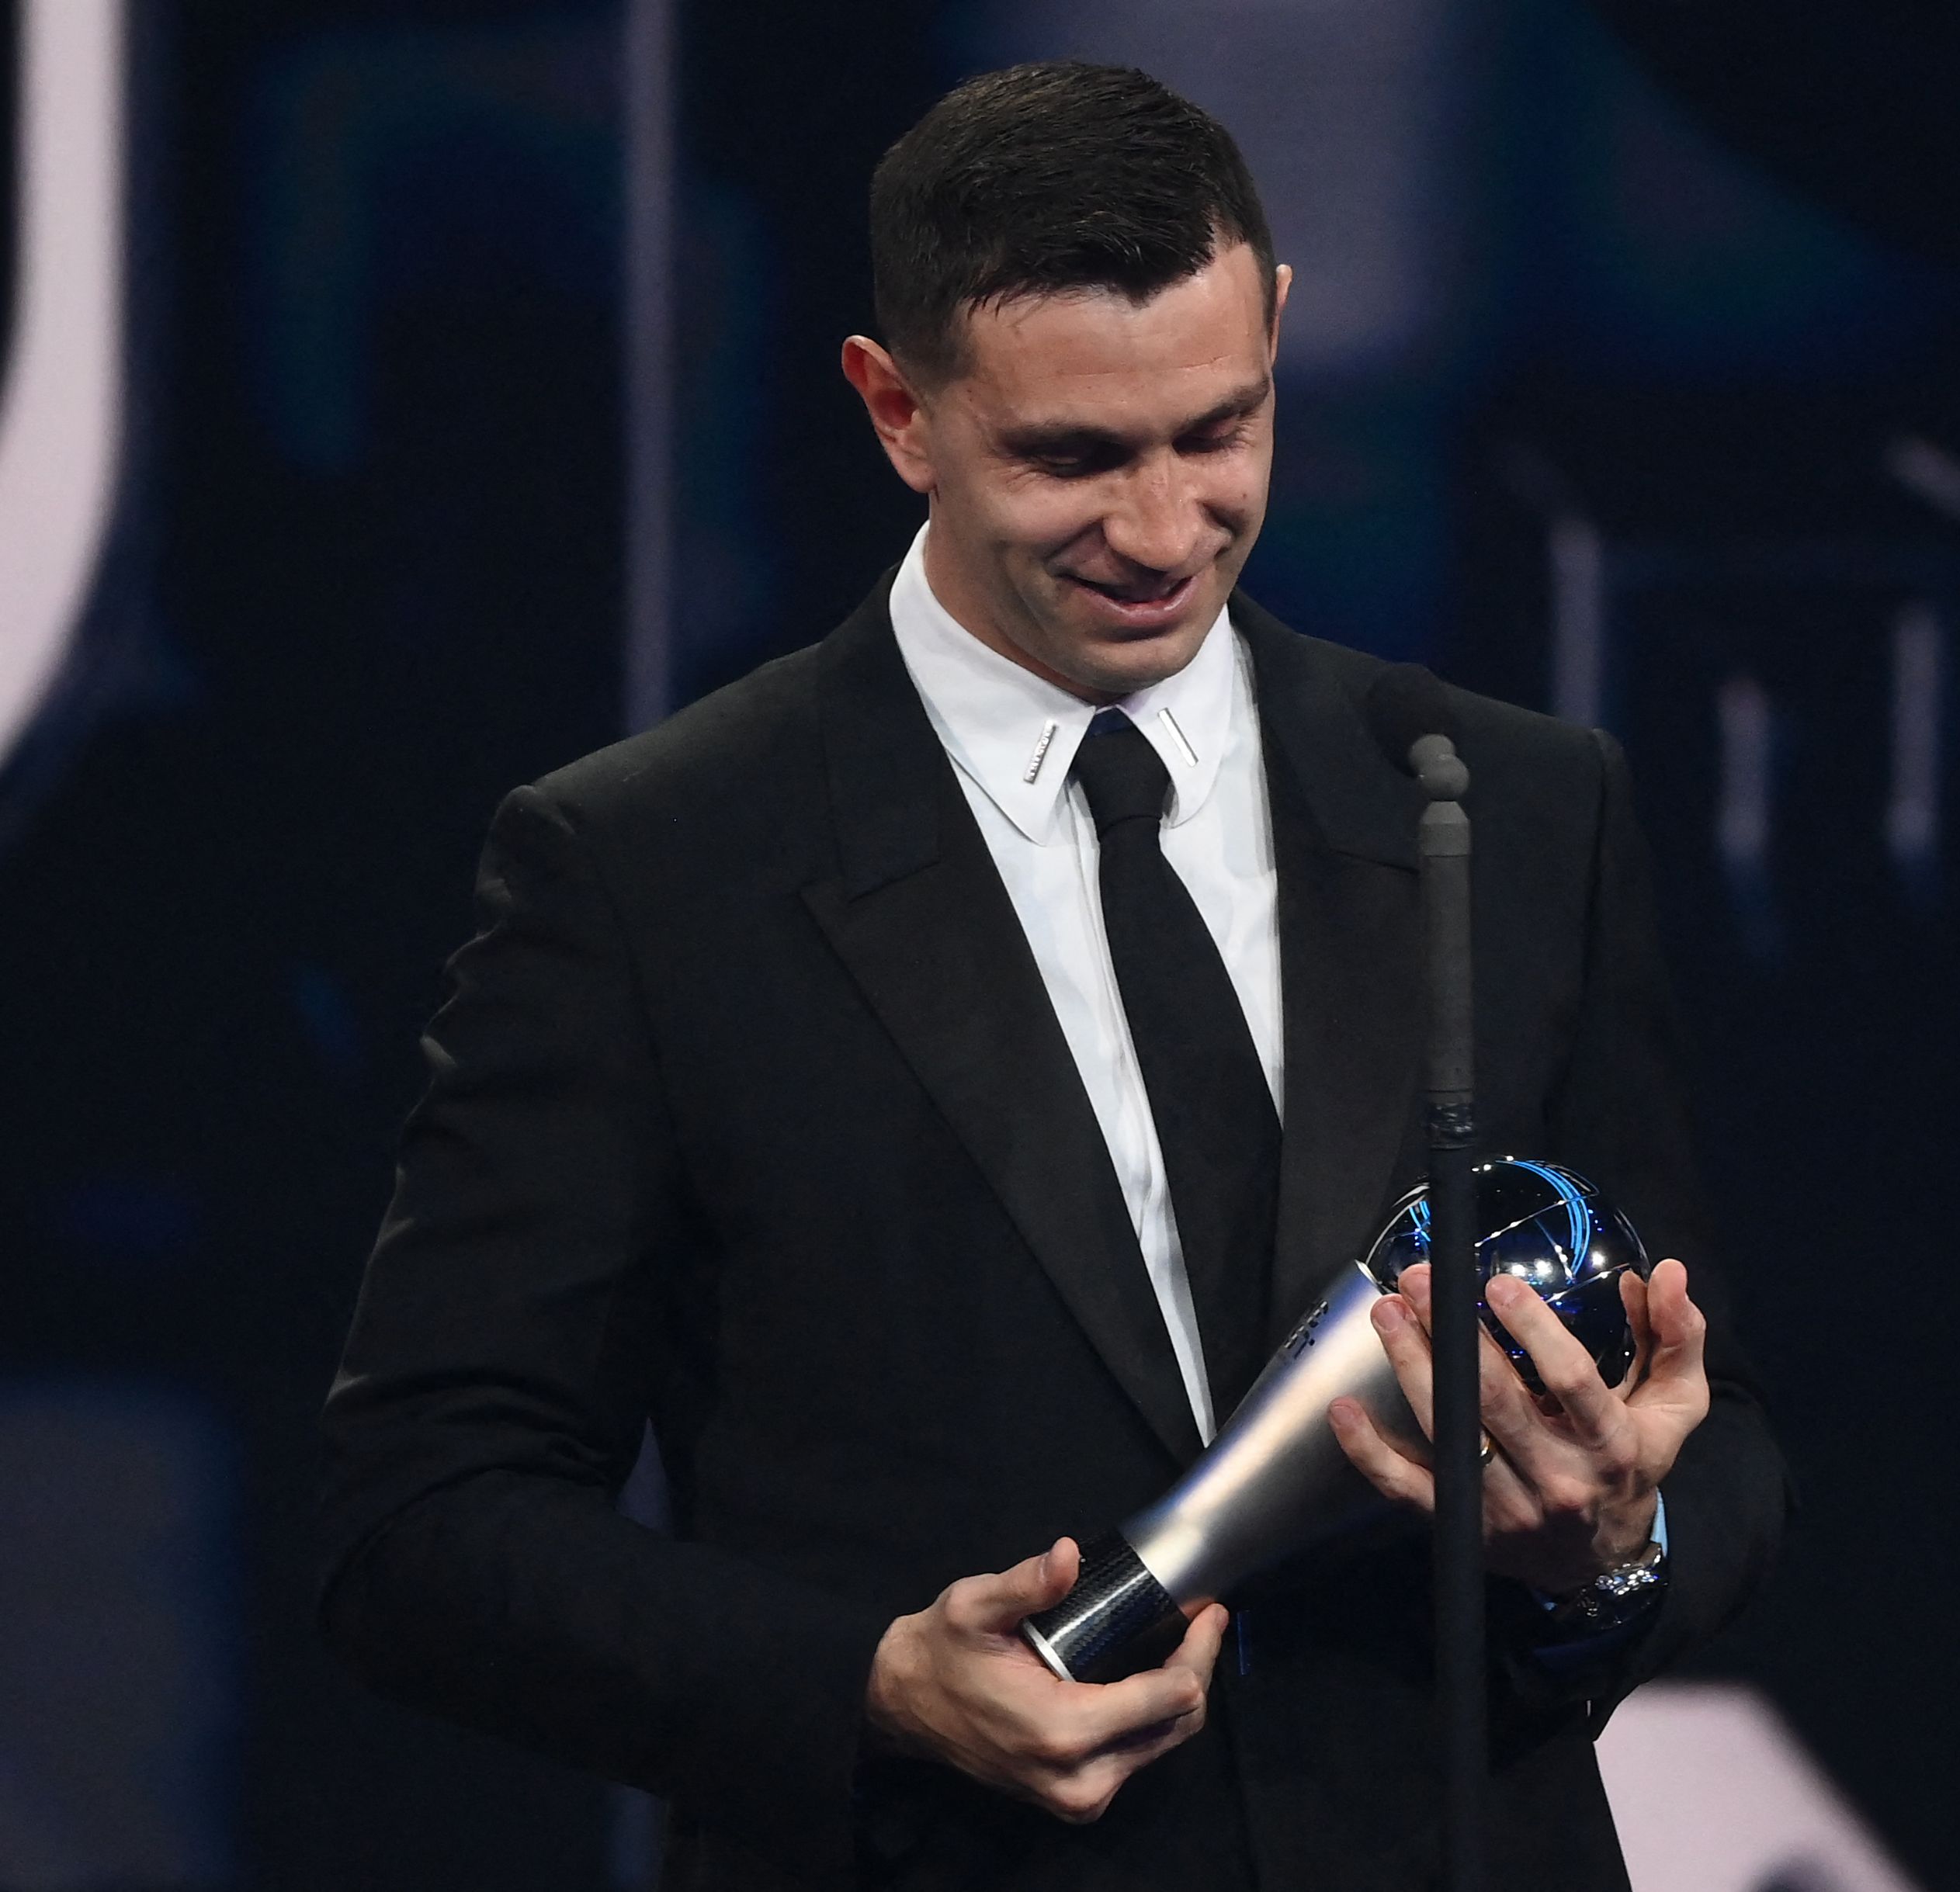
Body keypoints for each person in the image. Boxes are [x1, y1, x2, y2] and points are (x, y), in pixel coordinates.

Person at [317, 60, 1789, 1892]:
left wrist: (1611, 1544)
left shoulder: (1508, 806)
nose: (1163, 530)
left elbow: (1714, 1431)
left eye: (1216, 430)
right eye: (1072, 458)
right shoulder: (647, 868)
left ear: (1272, 331)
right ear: (896, 410)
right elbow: (420, 1519)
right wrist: (866, 1685)